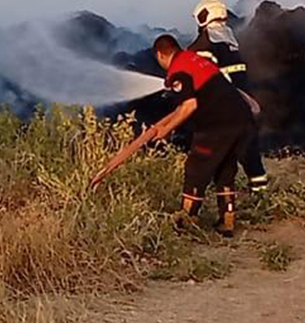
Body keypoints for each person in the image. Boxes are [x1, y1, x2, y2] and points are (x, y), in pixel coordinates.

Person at [90, 34, 256, 237]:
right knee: (224, 168)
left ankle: (187, 220)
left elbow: (189, 106)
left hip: (216, 124)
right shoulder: (193, 60)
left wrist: (166, 131)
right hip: (239, 118)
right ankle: (227, 222)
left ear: (160, 55)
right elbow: (181, 108)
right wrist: (159, 126)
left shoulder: (179, 71)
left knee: (196, 167)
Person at [188, 0, 269, 193]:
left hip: (222, 108)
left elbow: (195, 73)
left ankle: (201, 199)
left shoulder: (205, 43)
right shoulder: (230, 40)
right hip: (243, 102)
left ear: (203, 16)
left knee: (214, 156)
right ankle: (261, 195)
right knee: (249, 152)